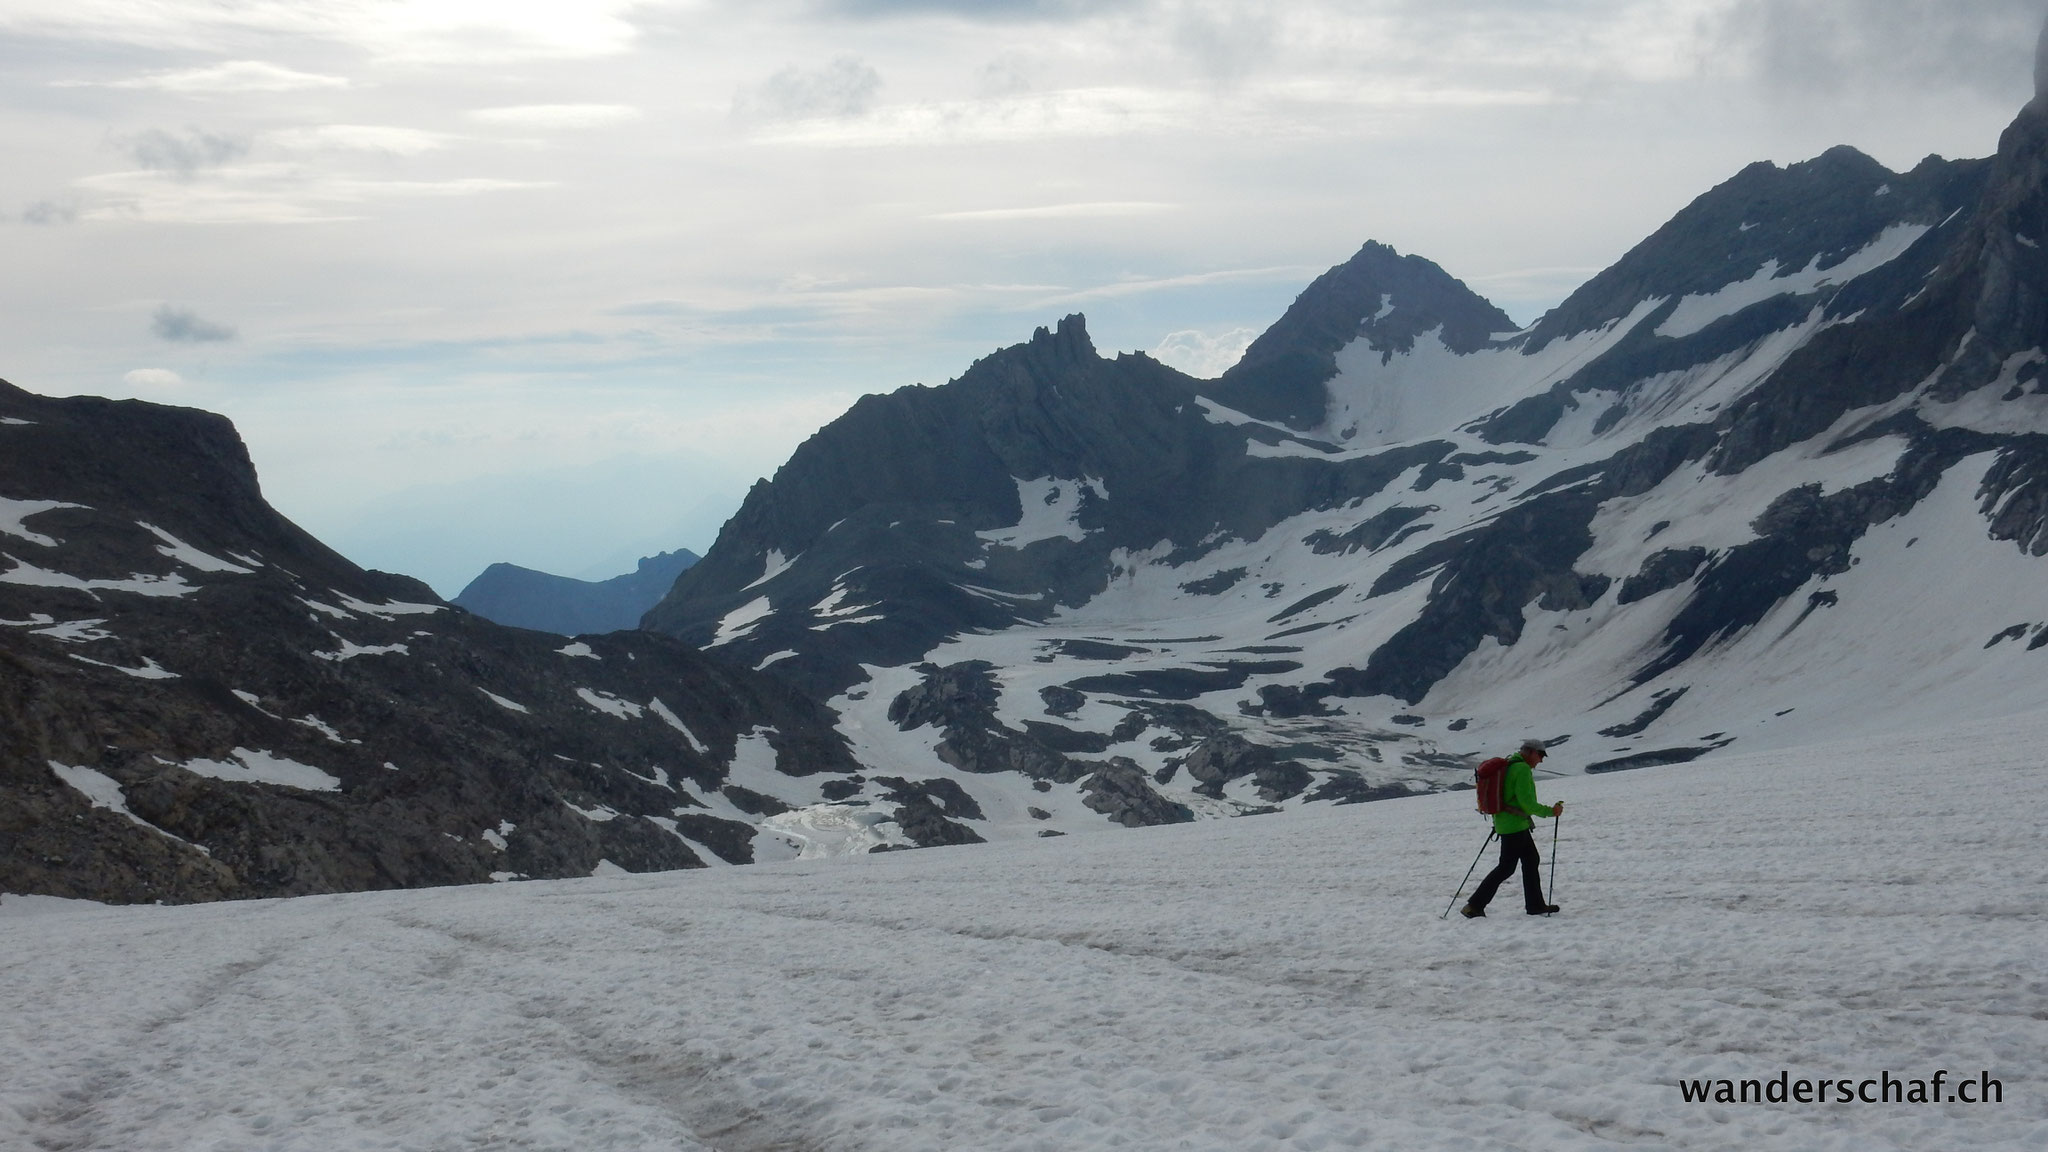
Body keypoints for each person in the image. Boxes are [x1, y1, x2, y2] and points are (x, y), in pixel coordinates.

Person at [1462, 739, 1564, 917]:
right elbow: (1527, 803)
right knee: (1507, 867)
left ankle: (1535, 905)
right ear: (1531, 752)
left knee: (1530, 860)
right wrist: (1551, 811)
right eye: (1540, 755)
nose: (1541, 760)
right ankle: (1474, 905)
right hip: (1514, 825)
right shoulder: (1522, 769)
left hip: (1508, 823)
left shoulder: (1510, 764)